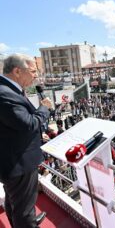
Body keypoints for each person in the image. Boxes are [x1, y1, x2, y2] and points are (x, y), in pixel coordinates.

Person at [0, 54, 52, 228]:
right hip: (18, 162)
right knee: (24, 208)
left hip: (12, 159)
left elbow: (14, 125)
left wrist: (37, 134)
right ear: (17, 71)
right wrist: (44, 108)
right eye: (33, 71)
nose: (36, 76)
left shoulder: (9, 89)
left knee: (14, 202)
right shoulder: (5, 93)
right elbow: (28, 123)